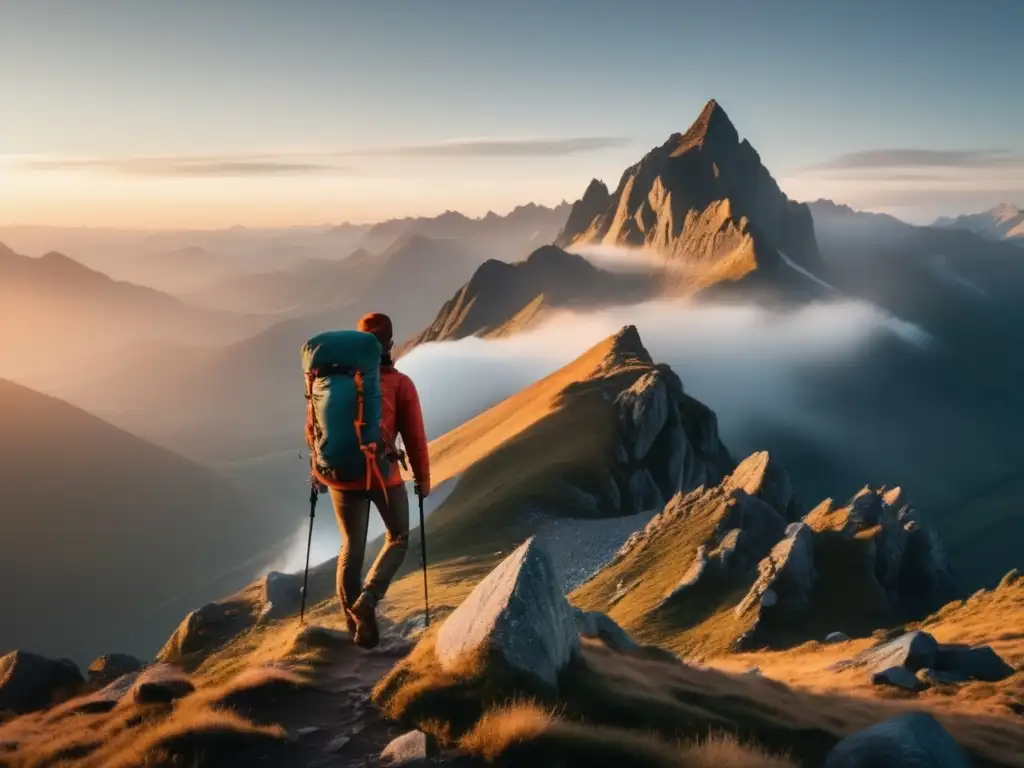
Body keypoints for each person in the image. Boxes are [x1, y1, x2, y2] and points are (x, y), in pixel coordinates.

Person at [304, 312, 430, 648]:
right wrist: (422, 481)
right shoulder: (400, 384)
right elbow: (415, 439)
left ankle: (356, 627)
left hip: (341, 476)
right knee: (398, 537)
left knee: (351, 547)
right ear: (389, 344)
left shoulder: (328, 382)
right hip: (384, 475)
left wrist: (317, 472)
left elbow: (313, 429)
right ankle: (367, 601)